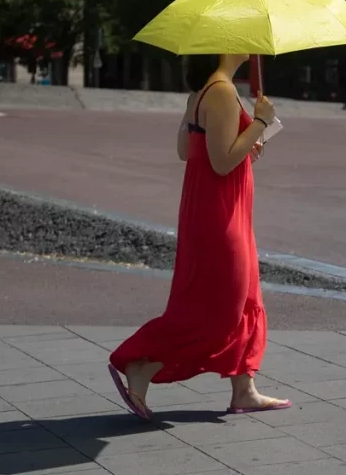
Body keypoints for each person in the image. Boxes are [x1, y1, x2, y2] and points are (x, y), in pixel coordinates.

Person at [108, 53, 291, 420]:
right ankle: (143, 362)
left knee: (246, 296)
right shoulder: (221, 92)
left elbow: (188, 151)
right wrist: (260, 122)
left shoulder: (201, 93)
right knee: (220, 308)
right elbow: (222, 162)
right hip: (220, 216)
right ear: (226, 46)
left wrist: (249, 142)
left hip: (215, 210)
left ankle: (244, 390)